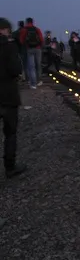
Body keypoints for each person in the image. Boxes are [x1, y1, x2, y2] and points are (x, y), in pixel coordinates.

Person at [0, 18, 26, 177]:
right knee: (10, 133)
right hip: (7, 95)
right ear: (4, 30)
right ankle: (10, 167)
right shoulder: (9, 46)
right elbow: (15, 69)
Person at [19, 17, 44, 89]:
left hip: (29, 49)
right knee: (38, 65)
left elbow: (21, 41)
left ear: (26, 22)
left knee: (31, 67)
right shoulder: (37, 29)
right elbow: (42, 39)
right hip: (38, 49)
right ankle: (39, 81)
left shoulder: (24, 30)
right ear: (33, 22)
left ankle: (33, 84)